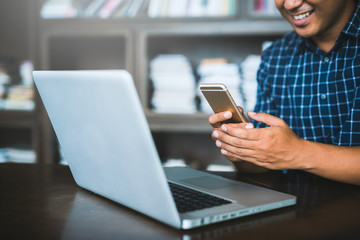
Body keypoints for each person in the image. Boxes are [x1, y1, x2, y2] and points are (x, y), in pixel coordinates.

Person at [209, 0, 360, 185]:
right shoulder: (275, 57)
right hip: (300, 208)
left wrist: (298, 152)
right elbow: (264, 164)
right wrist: (241, 148)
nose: (289, 4)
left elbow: (289, 153)